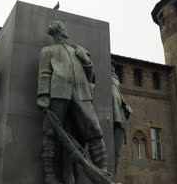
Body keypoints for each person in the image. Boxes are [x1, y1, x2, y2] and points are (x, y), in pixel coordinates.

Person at [37, 21, 110, 184]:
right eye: (62, 27)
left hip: (82, 93)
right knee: (50, 132)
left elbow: (90, 75)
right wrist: (43, 95)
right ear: (59, 31)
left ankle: (103, 173)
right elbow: (44, 73)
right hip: (58, 91)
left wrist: (87, 62)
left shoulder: (77, 50)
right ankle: (49, 175)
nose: (64, 30)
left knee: (95, 130)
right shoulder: (47, 50)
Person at [111, 62, 132, 173]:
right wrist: (118, 119)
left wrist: (126, 107)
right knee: (115, 154)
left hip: (120, 124)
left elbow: (119, 102)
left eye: (114, 70)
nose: (114, 72)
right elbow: (114, 99)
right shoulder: (112, 86)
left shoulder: (116, 87)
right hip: (117, 124)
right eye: (111, 70)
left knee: (116, 154)